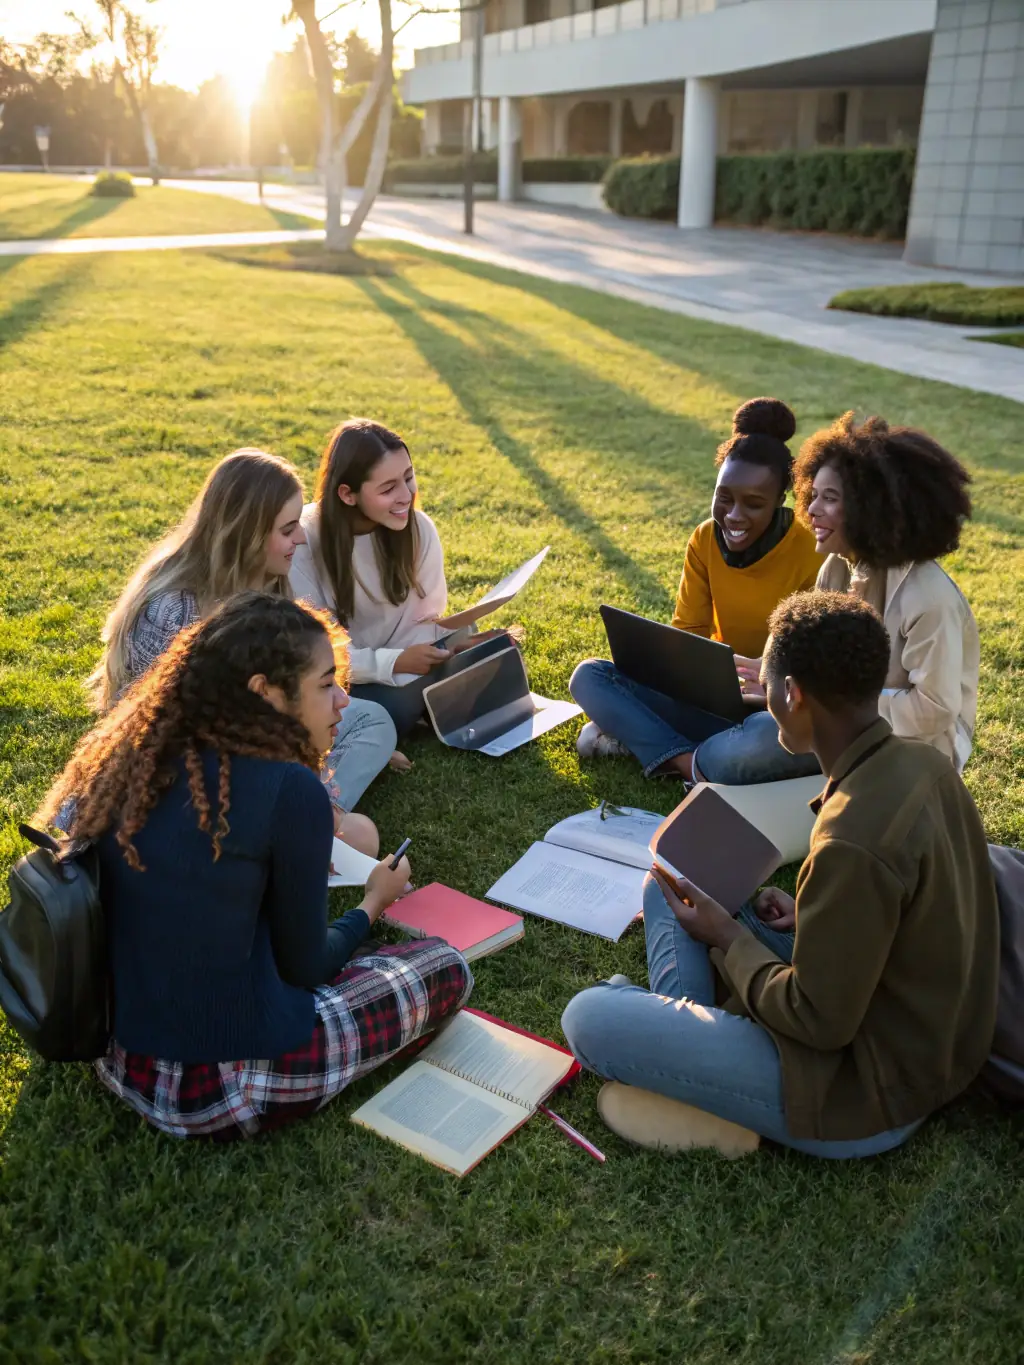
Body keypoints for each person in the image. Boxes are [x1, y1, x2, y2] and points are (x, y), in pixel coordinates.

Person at [561, 592, 1000, 1159]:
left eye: (766, 686)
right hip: (919, 1039)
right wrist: (811, 917)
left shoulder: (852, 838)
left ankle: (682, 1068)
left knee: (591, 1017)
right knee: (674, 883)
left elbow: (818, 1021)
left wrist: (729, 937)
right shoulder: (927, 766)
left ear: (791, 694)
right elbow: (915, 911)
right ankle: (688, 1046)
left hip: (865, 1093)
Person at [37, 593, 473, 1140]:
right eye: (323, 684)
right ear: (264, 692)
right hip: (220, 1087)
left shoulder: (141, 753)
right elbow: (307, 966)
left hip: (121, 1058)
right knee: (444, 965)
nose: (342, 700)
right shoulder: (290, 790)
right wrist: (372, 904)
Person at [89, 447, 397, 852]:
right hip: (187, 771)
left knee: (373, 721)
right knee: (360, 835)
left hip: (255, 743)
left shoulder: (267, 582)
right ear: (245, 532)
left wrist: (325, 725)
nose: (300, 538)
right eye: (287, 529)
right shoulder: (171, 608)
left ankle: (318, 817)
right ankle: (313, 825)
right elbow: (164, 738)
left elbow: (286, 691)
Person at [570, 398, 821, 784]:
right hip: (711, 695)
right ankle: (690, 763)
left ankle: (655, 744)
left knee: (758, 738)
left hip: (769, 708)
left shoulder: (809, 549)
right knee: (589, 677)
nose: (734, 516)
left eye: (754, 504)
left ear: (779, 501)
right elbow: (688, 632)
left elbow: (810, 663)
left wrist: (766, 680)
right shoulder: (705, 539)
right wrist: (700, 672)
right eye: (724, 497)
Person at [795, 412, 978, 772]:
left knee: (737, 758)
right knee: (750, 738)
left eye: (829, 498)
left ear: (871, 509)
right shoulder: (835, 566)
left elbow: (933, 711)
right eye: (813, 495)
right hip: (842, 733)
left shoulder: (929, 597)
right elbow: (813, 654)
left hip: (916, 757)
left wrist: (830, 707)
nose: (812, 509)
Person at [289, 418, 455, 738]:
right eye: (388, 488)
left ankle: (435, 690)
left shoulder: (419, 529)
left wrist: (445, 645)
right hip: (346, 679)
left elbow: (427, 620)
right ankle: (431, 698)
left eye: (409, 478)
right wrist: (393, 663)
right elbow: (313, 650)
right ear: (348, 494)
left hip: (408, 660)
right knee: (383, 712)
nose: (406, 496)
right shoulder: (304, 542)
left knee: (474, 638)